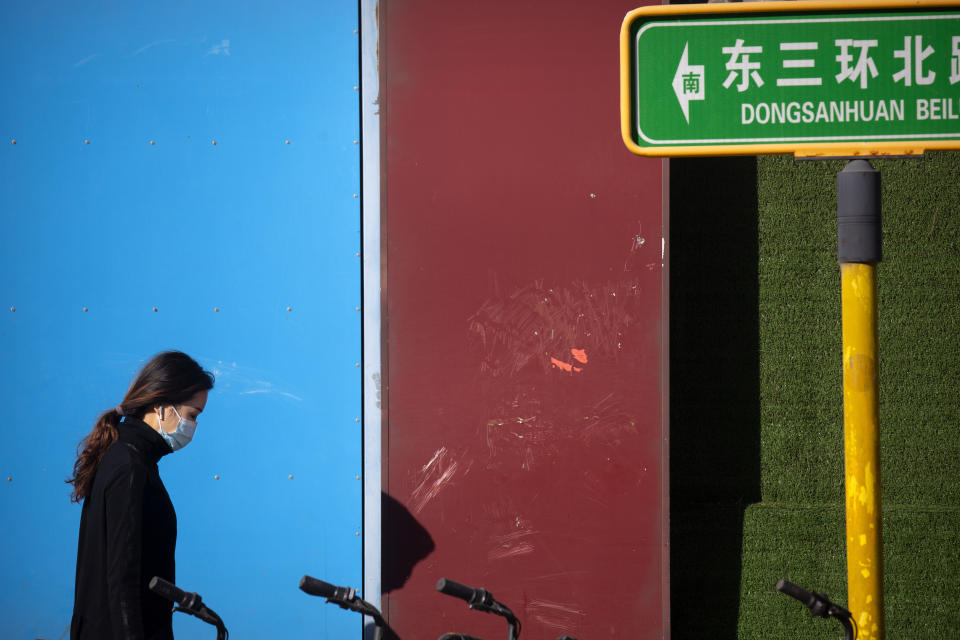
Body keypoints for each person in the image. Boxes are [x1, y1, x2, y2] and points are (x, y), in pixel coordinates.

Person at [68, 351, 214, 640]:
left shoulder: (127, 457)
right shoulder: (131, 467)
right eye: (192, 415)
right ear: (161, 406)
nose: (194, 426)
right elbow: (123, 579)